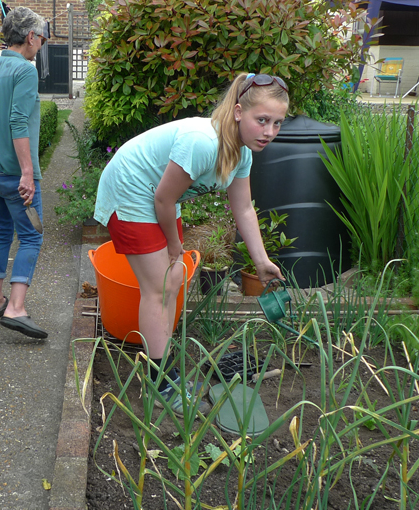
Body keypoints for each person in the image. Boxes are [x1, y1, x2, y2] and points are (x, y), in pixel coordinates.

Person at [93, 72, 289, 413]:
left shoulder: (242, 154)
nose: (270, 132)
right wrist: (173, 245)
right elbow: (163, 200)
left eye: (277, 123)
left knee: (171, 280)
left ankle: (163, 367)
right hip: (131, 189)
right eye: (262, 120)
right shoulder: (203, 142)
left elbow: (243, 208)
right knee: (160, 287)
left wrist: (261, 262)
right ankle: (159, 382)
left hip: (158, 196)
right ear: (239, 111)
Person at [0, 7, 49, 339]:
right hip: (11, 173)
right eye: (42, 38)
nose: (42, 44)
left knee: (2, 233)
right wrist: (28, 173)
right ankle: (16, 308)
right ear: (30, 37)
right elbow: (18, 122)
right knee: (31, 235)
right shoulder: (25, 71)